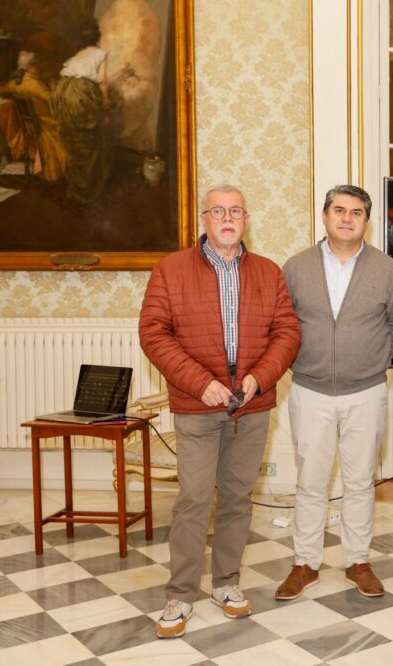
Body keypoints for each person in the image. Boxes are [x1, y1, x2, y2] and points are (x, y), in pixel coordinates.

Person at [139, 185, 300, 638]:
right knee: (193, 499)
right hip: (197, 406)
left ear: (246, 219)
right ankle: (180, 594)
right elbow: (154, 333)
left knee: (235, 499)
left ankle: (227, 584)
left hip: (251, 406)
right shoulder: (170, 270)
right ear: (204, 219)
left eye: (235, 211)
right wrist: (200, 383)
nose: (227, 218)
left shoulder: (269, 273)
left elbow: (287, 332)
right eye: (218, 211)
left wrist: (259, 378)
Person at [276, 184, 393, 601]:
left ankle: (358, 561)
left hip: (366, 392)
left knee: (358, 482)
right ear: (324, 216)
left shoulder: (385, 269)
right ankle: (305, 563)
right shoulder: (296, 267)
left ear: (366, 222)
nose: (347, 218)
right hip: (310, 390)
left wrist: (370, 361)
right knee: (310, 482)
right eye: (339, 210)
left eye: (356, 212)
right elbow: (282, 324)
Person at [50, 20, 112, 204]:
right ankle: (87, 189)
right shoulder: (101, 53)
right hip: (81, 96)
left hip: (63, 94)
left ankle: (77, 185)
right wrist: (105, 106)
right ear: (97, 38)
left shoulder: (76, 56)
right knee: (89, 138)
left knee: (74, 139)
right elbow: (102, 83)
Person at [0, 51, 68, 182]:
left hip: (31, 124)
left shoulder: (17, 82)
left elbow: (0, 90)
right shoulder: (36, 85)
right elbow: (55, 101)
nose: (42, 65)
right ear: (32, 65)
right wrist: (54, 86)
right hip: (47, 124)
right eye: (39, 63)